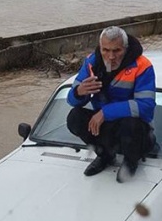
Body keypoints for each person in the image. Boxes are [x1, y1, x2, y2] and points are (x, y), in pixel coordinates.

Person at [66, 26, 156, 183]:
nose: (111, 56)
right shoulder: (91, 62)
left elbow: (146, 108)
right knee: (74, 117)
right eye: (105, 50)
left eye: (117, 50)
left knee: (131, 123)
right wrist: (79, 92)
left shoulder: (142, 66)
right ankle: (105, 155)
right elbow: (70, 100)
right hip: (105, 126)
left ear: (126, 49)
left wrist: (105, 112)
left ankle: (130, 161)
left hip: (133, 130)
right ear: (100, 48)